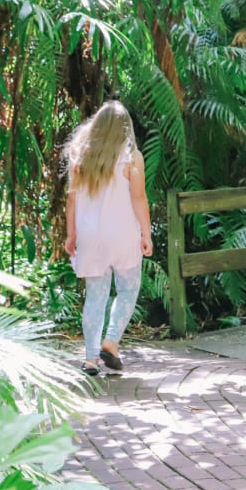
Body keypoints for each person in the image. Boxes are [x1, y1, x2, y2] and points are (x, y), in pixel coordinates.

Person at [63, 100, 153, 375]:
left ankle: (90, 359)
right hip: (123, 234)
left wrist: (71, 234)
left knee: (95, 297)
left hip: (91, 236)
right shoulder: (131, 157)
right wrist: (146, 233)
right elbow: (139, 198)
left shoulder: (81, 156)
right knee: (127, 289)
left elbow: (72, 199)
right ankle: (111, 341)